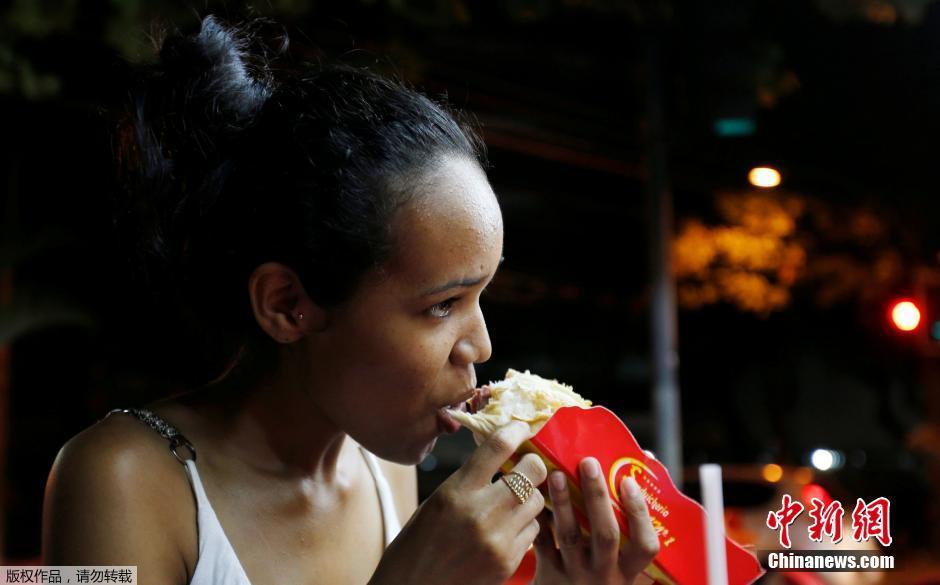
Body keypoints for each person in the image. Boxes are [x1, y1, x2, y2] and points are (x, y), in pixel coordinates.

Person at [41, 15, 659, 585]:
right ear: (287, 305)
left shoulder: (385, 468)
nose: (481, 345)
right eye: (442, 305)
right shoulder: (117, 477)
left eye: (481, 295)